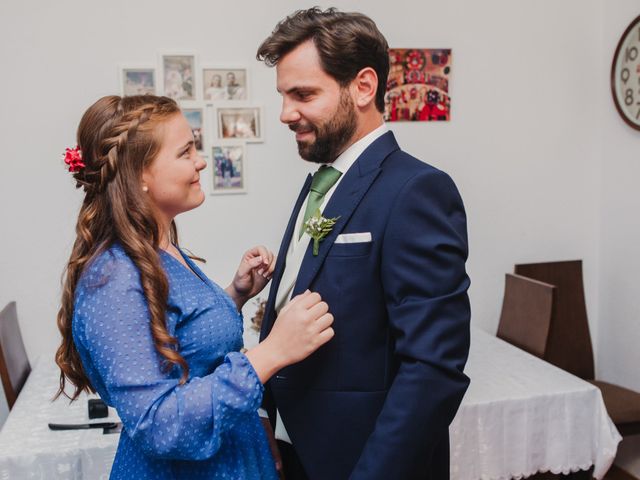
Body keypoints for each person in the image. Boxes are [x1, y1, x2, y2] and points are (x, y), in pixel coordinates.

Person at [54, 94, 335, 479]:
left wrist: (234, 294)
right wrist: (272, 353)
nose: (200, 161)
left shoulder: (161, 245)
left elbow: (179, 341)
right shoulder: (113, 278)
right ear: (139, 174)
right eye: (185, 152)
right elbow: (158, 423)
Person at [256, 8, 471, 479]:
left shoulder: (416, 191)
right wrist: (266, 417)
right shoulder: (321, 181)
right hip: (296, 453)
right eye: (283, 96)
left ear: (363, 87)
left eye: (303, 94)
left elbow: (433, 369)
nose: (286, 114)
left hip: (361, 461)